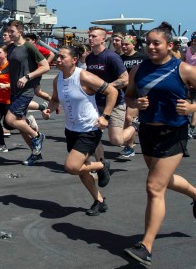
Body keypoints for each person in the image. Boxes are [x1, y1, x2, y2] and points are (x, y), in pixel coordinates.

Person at [123, 22, 196, 266]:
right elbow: (129, 95)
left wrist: (193, 107)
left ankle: (146, 245)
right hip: (147, 131)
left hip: (173, 131)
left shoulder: (183, 69)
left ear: (170, 45)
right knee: (163, 180)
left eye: (157, 43)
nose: (152, 47)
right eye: (149, 43)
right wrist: (137, 103)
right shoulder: (139, 69)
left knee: (154, 186)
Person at [43, 46, 117, 215]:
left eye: (62, 57)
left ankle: (101, 165)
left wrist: (105, 116)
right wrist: (49, 109)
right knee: (81, 169)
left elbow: (112, 91)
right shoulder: (58, 79)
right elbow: (55, 99)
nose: (58, 60)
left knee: (72, 166)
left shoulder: (83, 76)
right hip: (71, 129)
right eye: (58, 57)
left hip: (89, 129)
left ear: (74, 60)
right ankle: (99, 201)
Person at [85, 27, 134, 162]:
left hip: (115, 103)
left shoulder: (111, 57)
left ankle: (136, 126)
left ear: (103, 39)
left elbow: (125, 79)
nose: (90, 38)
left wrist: (105, 88)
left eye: (94, 36)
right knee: (92, 136)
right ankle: (101, 164)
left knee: (116, 140)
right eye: (90, 36)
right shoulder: (89, 58)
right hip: (95, 103)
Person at [4, 20, 49, 165]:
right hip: (15, 89)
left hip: (26, 90)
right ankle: (36, 154)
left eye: (12, 31)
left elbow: (45, 66)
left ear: (20, 32)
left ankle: (37, 136)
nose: (9, 34)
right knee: (21, 124)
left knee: (10, 120)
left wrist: (28, 76)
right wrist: (0, 71)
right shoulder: (11, 48)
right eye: (8, 31)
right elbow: (12, 67)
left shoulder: (29, 46)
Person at [119, 35, 147, 158]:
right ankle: (130, 145)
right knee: (128, 119)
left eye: (127, 44)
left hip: (139, 93)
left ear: (133, 45)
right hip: (125, 93)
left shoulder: (143, 58)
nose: (124, 46)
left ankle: (129, 146)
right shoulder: (119, 59)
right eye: (123, 44)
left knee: (129, 117)